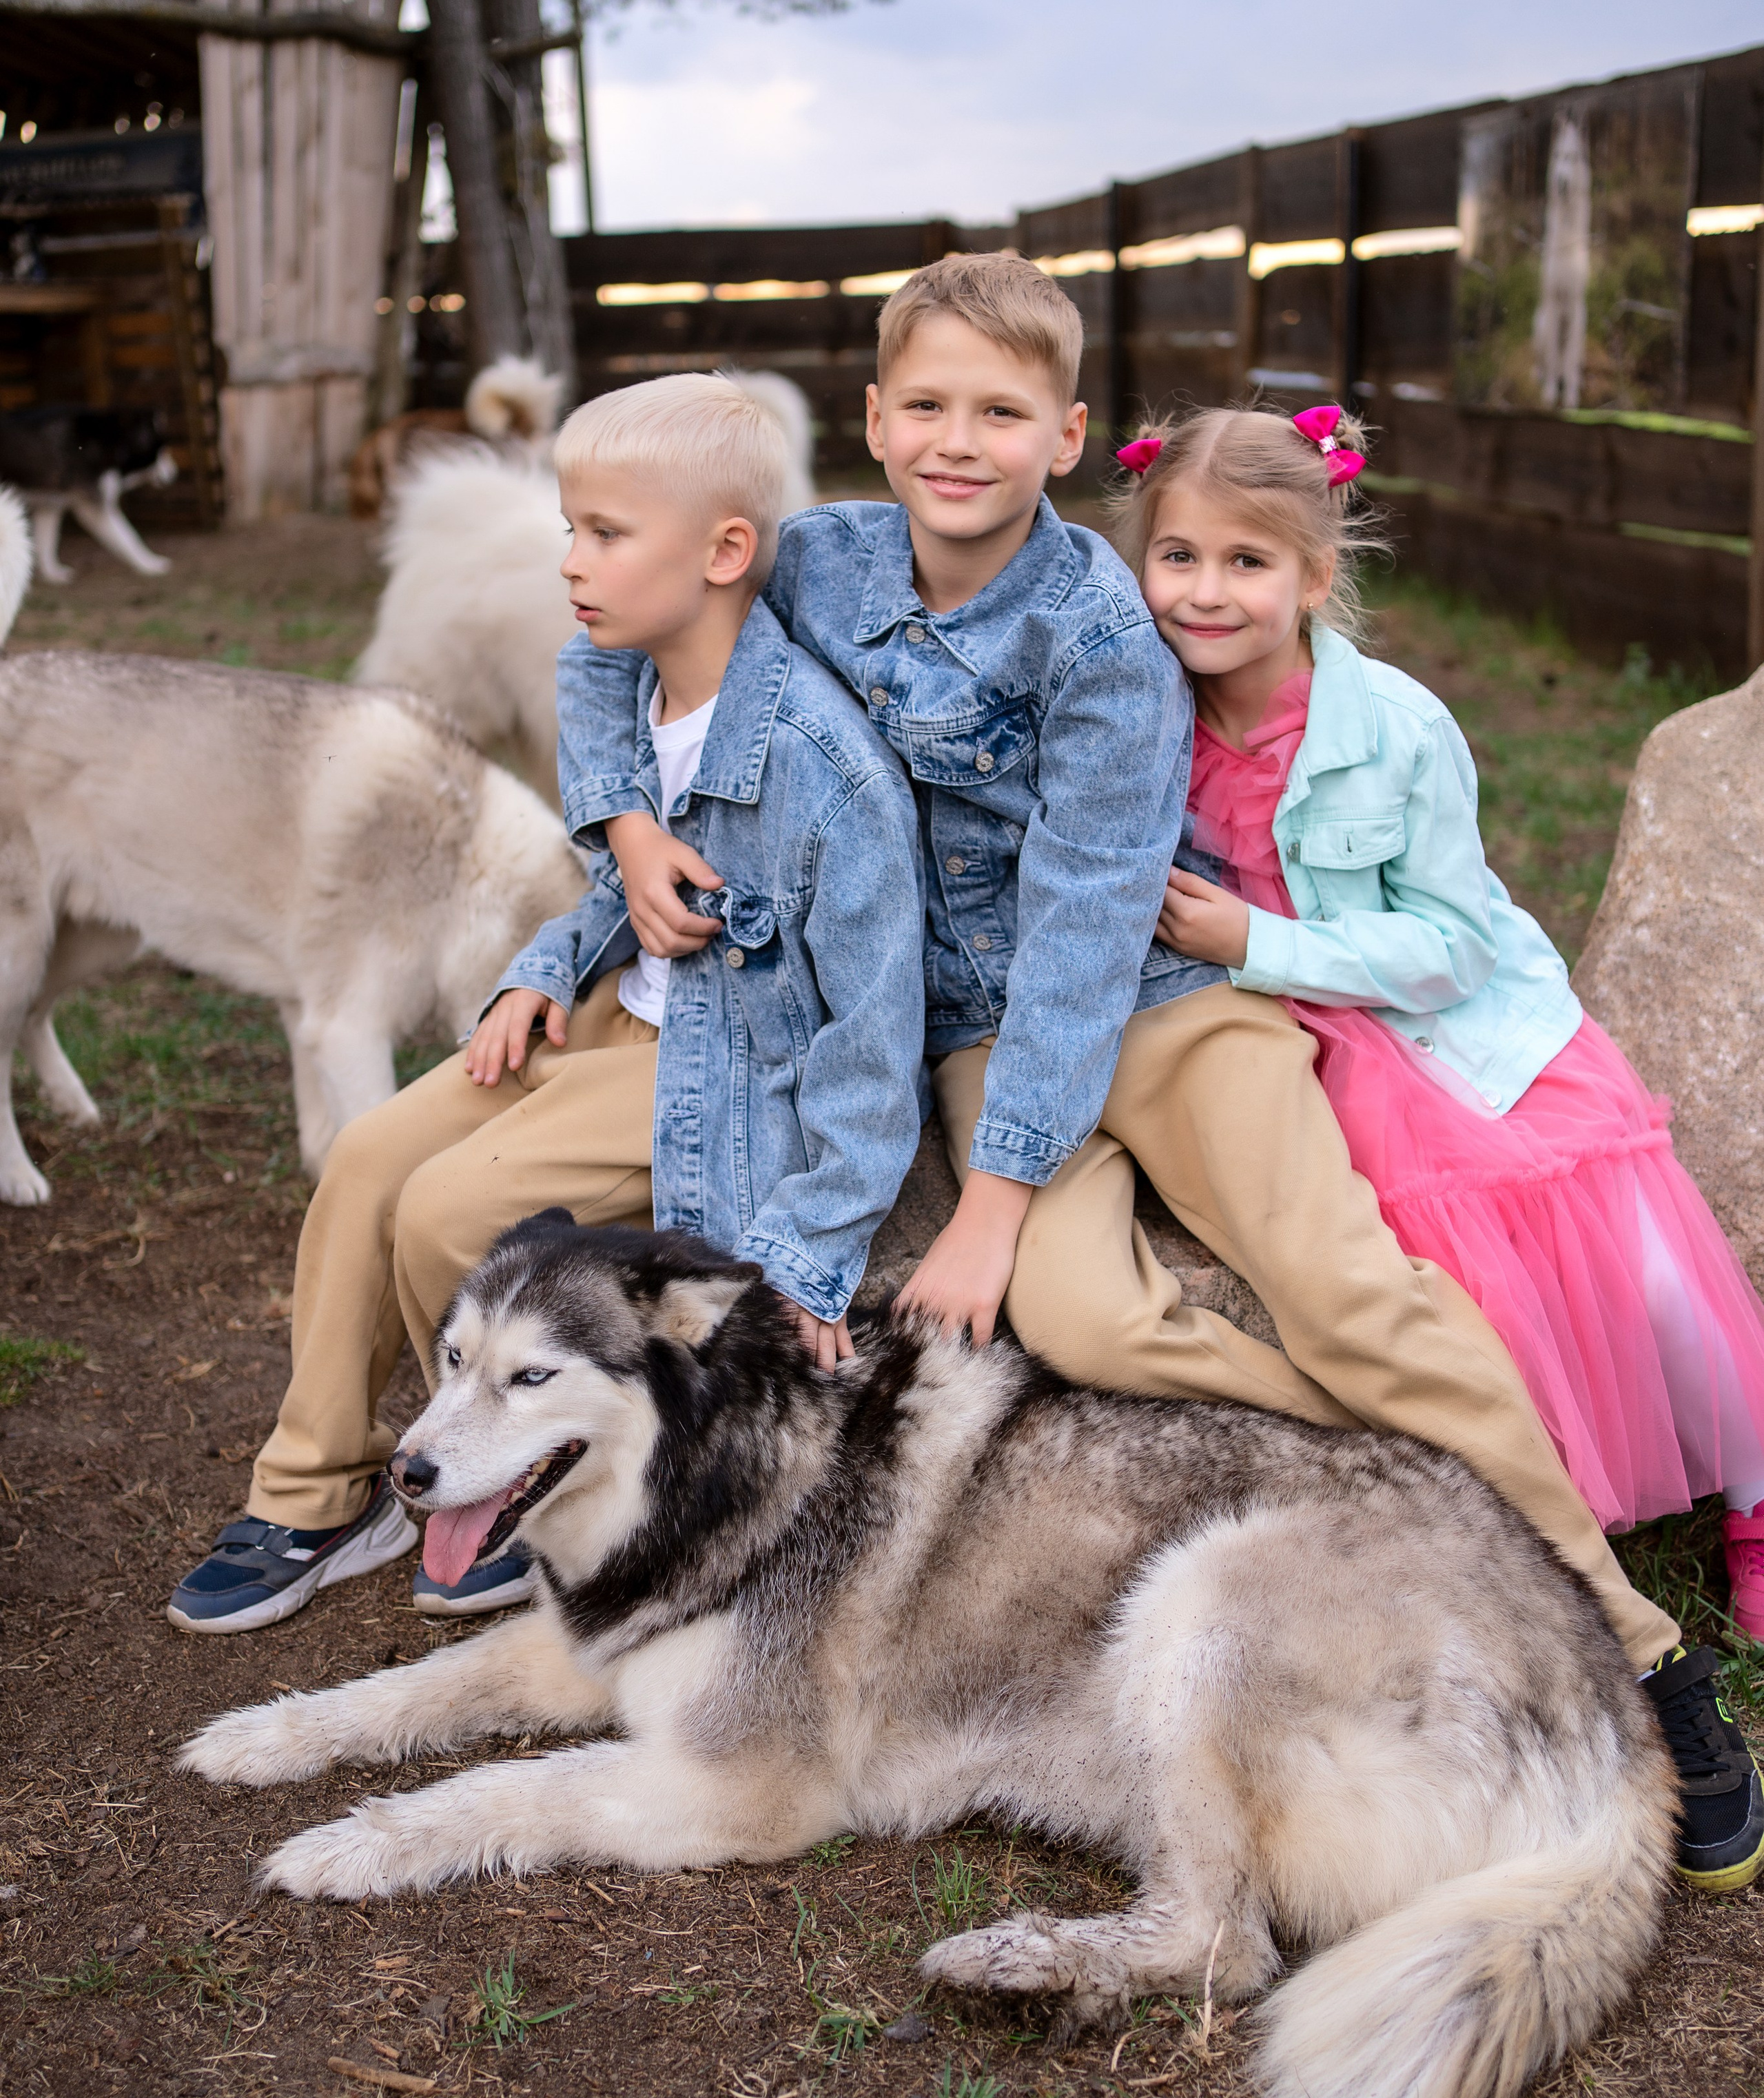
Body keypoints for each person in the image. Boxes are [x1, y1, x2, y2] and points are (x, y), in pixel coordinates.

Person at [553, 253, 1734, 1857]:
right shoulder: (815, 565)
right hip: (970, 1034)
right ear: (875, 422)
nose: (958, 440)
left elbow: (1090, 918)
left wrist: (992, 1196)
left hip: (1154, 1013)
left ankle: (1635, 1650)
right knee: (1085, 1317)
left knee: (1340, 1288)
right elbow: (612, 636)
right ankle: (1385, 1460)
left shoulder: (1099, 631)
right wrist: (621, 816)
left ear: (1064, 432)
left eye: (999, 410)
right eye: (926, 406)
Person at [1114, 393, 1763, 1891]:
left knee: (1609, 1263)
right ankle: (1522, 1542)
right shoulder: (1136, 702)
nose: (1205, 594)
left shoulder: (1391, 724)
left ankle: (1738, 1485)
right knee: (1408, 1289)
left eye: (1245, 565)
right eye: (1178, 558)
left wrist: (1256, 938)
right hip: (1275, 1035)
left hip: (1426, 1027)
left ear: (1312, 576)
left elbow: (1452, 942)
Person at [166, 373, 926, 1632]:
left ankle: (502, 1479)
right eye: (571, 528)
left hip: (726, 1061)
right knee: (364, 1159)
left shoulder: (826, 772)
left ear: (726, 552)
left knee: (449, 1210)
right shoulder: (626, 675)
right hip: (614, 1011)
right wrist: (543, 966)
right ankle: (319, 1487)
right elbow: (619, 884)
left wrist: (813, 1255)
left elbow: (874, 1037)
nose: (570, 562)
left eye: (604, 535)